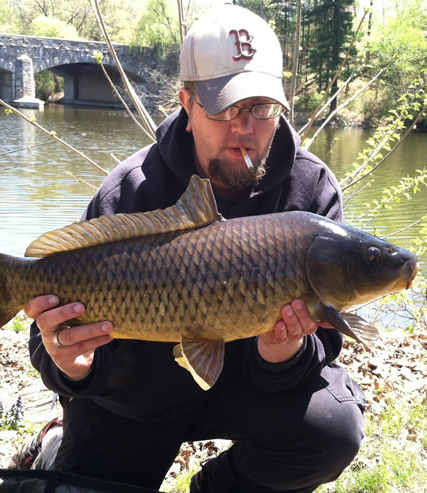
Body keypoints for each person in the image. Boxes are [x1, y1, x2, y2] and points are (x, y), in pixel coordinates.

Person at [24, 5, 365, 492]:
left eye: (261, 108)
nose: (243, 127)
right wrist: (71, 367)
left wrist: (282, 352)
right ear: (187, 103)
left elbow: (326, 337)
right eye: (224, 107)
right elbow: (50, 329)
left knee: (330, 428)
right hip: (135, 398)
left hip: (249, 389)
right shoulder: (130, 191)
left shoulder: (311, 191)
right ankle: (59, 444)